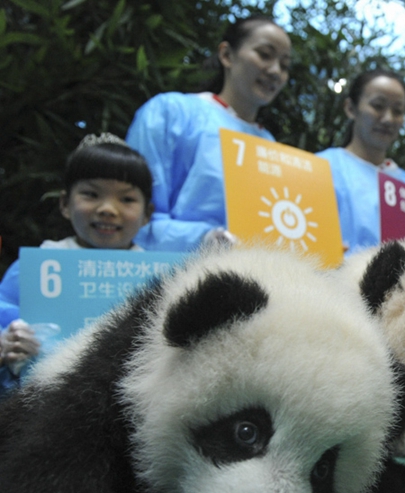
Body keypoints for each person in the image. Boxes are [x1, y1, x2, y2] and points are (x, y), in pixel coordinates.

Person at [0, 134, 153, 391]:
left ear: (147, 213)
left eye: (126, 199)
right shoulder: (34, 268)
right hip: (42, 401)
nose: (108, 209)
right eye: (91, 194)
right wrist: (6, 344)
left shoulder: (159, 275)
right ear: (65, 204)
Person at [126, 15, 291, 252]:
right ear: (226, 55)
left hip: (248, 272)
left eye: (284, 65)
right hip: (168, 271)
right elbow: (135, 216)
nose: (275, 71)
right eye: (264, 54)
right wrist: (203, 240)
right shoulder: (171, 113)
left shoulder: (270, 147)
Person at [317, 68, 405, 255]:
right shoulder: (319, 168)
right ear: (350, 108)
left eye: (398, 111)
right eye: (378, 106)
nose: (388, 119)